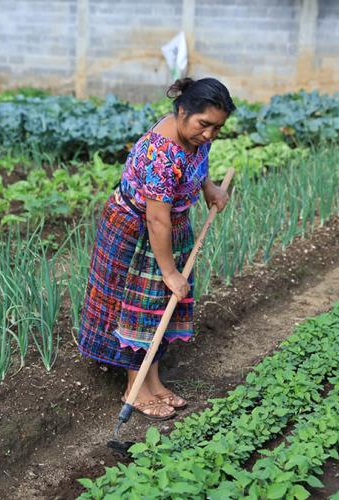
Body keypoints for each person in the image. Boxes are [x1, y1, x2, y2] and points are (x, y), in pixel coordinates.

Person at [77, 77, 235, 420]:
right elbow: (156, 220)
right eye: (204, 124)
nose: (209, 134)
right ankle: (135, 388)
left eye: (217, 128)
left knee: (163, 303)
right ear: (181, 111)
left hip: (169, 225)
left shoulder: (195, 137)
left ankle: (155, 380)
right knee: (143, 303)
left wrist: (208, 188)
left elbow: (198, 164)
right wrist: (169, 271)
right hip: (138, 228)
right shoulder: (160, 153)